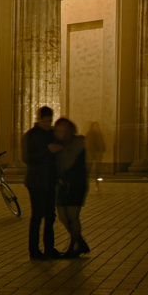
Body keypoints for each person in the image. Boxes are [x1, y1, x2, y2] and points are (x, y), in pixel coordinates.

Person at [22, 106, 59, 259]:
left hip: (51, 180)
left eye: (49, 121)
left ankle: (50, 248)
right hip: (36, 181)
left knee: (50, 215)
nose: (47, 124)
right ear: (38, 119)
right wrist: (48, 150)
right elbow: (27, 158)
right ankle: (34, 250)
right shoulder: (30, 136)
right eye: (45, 121)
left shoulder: (52, 134)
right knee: (37, 215)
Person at [50, 118, 90, 257]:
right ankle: (81, 242)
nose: (59, 133)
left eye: (62, 131)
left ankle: (73, 247)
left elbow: (78, 167)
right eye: (58, 130)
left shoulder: (77, 145)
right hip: (60, 186)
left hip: (75, 185)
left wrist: (64, 178)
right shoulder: (56, 145)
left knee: (73, 216)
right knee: (63, 216)